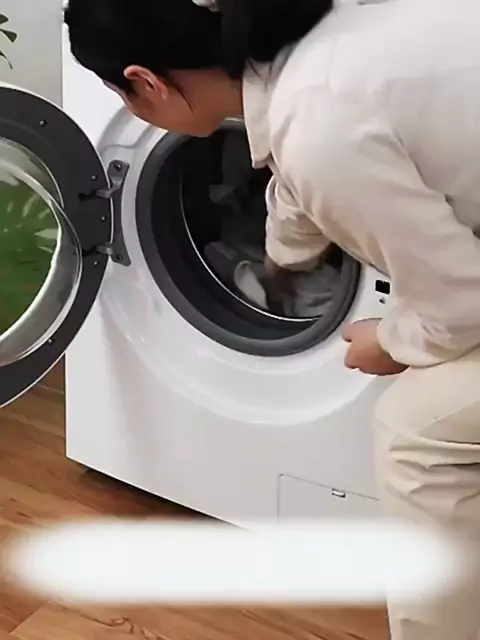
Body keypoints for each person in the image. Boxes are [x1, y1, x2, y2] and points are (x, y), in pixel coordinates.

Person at [64, 0, 480, 637]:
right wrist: (281, 263)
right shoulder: (318, 42)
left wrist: (388, 340)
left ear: (145, 82)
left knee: (414, 429)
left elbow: (461, 306)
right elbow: (297, 169)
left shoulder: (318, 127)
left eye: (120, 94)